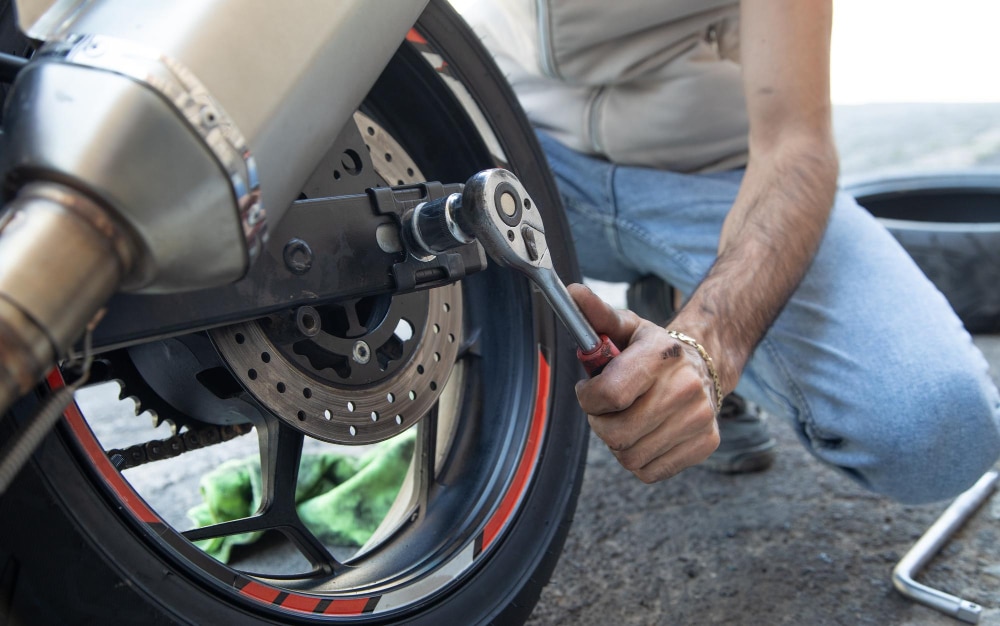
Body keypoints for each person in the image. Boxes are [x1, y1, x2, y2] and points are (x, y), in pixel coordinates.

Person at [455, 0, 1000, 503]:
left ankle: (680, 304)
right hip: (518, 153)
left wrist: (708, 347)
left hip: (728, 176)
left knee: (938, 435)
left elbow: (797, 143)